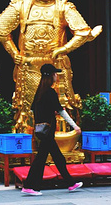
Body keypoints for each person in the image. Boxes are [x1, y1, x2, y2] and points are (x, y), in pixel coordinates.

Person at [0, 0, 102, 132]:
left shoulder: (63, 7)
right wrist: (14, 53)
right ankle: (27, 137)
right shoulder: (20, 6)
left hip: (56, 64)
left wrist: (63, 49)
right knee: (26, 106)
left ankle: (64, 134)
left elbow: (83, 33)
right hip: (28, 65)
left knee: (62, 104)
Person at [22, 63, 83, 196]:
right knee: (41, 159)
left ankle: (70, 183)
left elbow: (34, 110)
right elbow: (62, 111)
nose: (57, 76)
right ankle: (29, 186)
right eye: (55, 74)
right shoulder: (50, 92)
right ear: (51, 76)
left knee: (57, 157)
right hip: (47, 131)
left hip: (42, 130)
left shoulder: (39, 91)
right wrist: (75, 126)